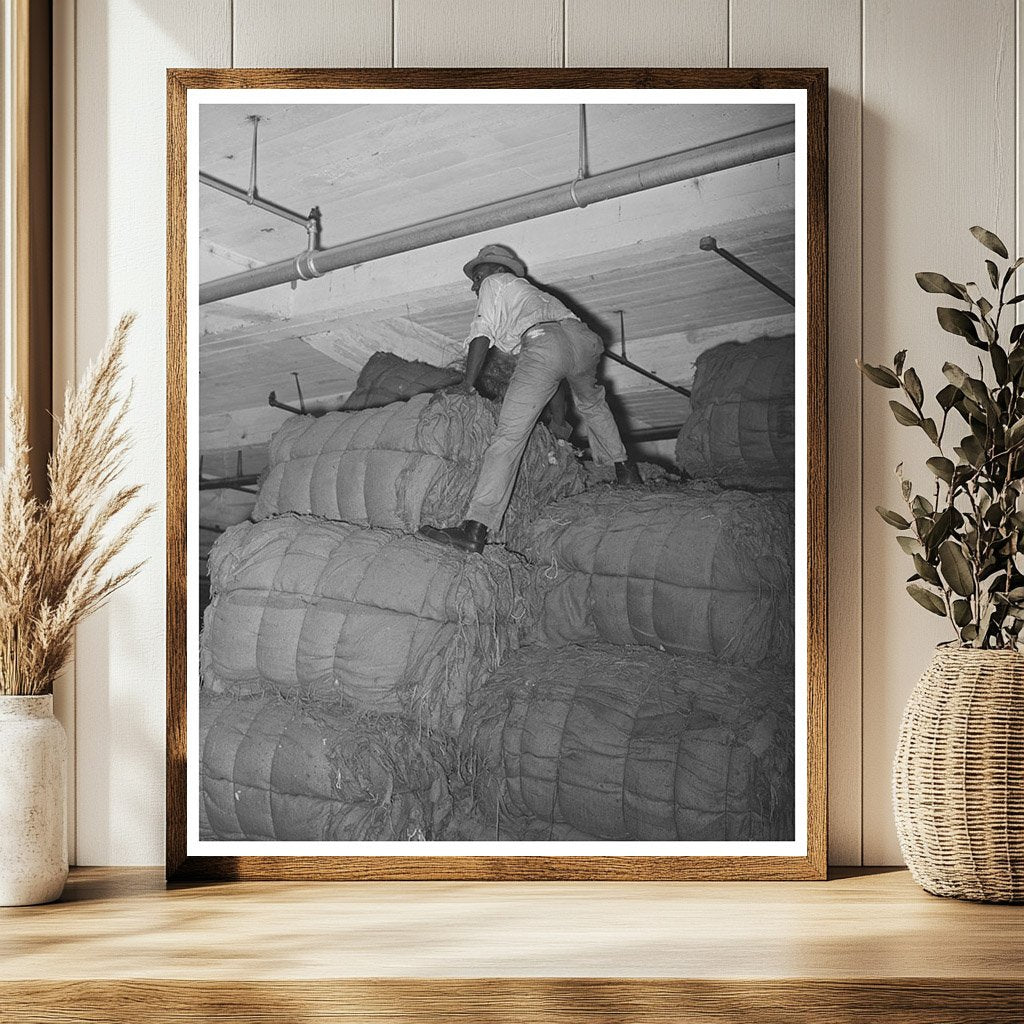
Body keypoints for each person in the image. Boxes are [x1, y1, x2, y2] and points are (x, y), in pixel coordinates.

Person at [420, 243, 642, 554]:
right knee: (593, 404)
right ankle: (626, 472)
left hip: (544, 340)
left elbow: (483, 331)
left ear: (498, 269)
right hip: (583, 340)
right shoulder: (534, 295)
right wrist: (560, 419)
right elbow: (557, 369)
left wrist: (468, 384)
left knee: (509, 436)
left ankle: (474, 528)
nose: (474, 284)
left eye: (478, 275)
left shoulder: (495, 283)